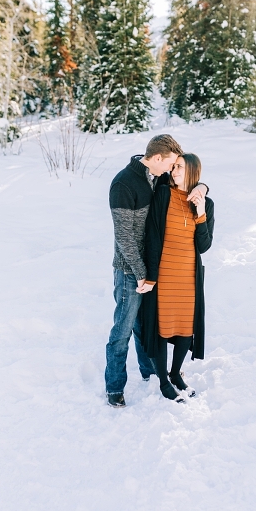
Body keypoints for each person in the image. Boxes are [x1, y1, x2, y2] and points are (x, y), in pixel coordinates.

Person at [105, 134, 207, 408]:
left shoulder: (157, 177)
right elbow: (124, 237)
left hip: (151, 269)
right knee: (123, 331)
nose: (172, 170)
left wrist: (204, 188)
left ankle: (149, 372)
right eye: (171, 164)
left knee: (144, 327)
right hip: (130, 271)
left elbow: (188, 181)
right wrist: (142, 274)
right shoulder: (124, 184)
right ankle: (114, 387)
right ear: (158, 159)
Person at [138, 153, 214, 403]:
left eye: (179, 167)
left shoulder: (207, 204)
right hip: (164, 274)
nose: (174, 170)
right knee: (161, 328)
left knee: (185, 329)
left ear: (192, 170)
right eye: (174, 166)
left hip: (188, 276)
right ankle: (162, 382)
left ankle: (175, 374)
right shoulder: (163, 193)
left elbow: (204, 246)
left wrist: (201, 209)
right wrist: (150, 274)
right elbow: (152, 236)